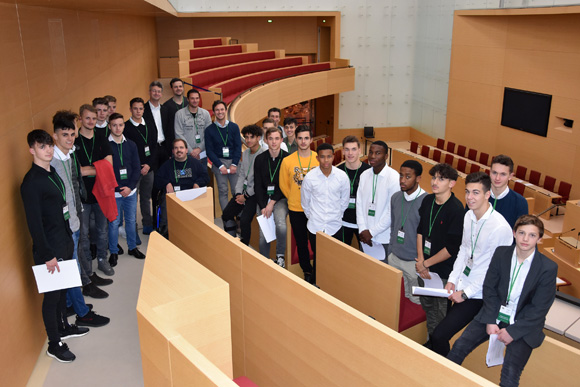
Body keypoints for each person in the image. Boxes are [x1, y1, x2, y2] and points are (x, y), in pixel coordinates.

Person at [448, 215, 557, 387]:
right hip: (493, 313)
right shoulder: (501, 253)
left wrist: (513, 332)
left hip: (523, 324)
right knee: (459, 346)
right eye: (521, 233)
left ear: (540, 239)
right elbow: (489, 288)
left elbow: (539, 308)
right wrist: (491, 320)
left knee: (510, 373)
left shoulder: (548, 268)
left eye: (532, 235)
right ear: (514, 233)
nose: (525, 239)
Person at [430, 172, 513, 356]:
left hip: (480, 294)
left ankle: (445, 374)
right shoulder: (468, 216)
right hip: (462, 285)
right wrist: (452, 279)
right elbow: (464, 250)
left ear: (487, 194)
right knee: (443, 335)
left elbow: (494, 270)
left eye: (476, 192)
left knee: (439, 336)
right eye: (467, 192)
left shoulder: (499, 227)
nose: (469, 197)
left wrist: (466, 294)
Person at [21, 129, 80, 362]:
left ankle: (64, 328)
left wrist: (67, 240)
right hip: (50, 251)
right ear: (32, 150)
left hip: (63, 241)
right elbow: (34, 224)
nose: (47, 150)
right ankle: (54, 344)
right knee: (52, 298)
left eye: (48, 146)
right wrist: (47, 255)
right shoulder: (31, 183)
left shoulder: (52, 172)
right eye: (42, 146)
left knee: (63, 290)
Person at [51, 110, 110, 327]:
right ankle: (82, 312)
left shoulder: (69, 156)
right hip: (65, 228)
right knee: (71, 269)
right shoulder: (53, 163)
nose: (69, 138)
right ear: (54, 136)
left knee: (71, 267)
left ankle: (69, 304)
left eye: (71, 134)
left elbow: (74, 188)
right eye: (64, 134)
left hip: (74, 220)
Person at [415, 163, 464, 344]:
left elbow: (452, 248)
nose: (435, 182)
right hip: (424, 267)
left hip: (442, 273)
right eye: (434, 177)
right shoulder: (427, 200)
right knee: (428, 307)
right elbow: (420, 231)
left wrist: (425, 264)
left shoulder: (457, 209)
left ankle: (437, 347)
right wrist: (421, 260)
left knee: (440, 315)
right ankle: (431, 341)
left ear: (452, 183)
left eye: (441, 179)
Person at [74, 104, 115, 295]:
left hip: (100, 193)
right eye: (87, 118)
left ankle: (102, 261)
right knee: (83, 237)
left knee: (101, 230)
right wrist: (98, 168)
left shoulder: (101, 138)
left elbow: (109, 165)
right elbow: (76, 171)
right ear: (80, 119)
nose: (91, 121)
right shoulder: (74, 141)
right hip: (82, 197)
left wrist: (88, 169)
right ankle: (88, 274)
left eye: (93, 118)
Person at [301, 143, 350, 283]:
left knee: (334, 259)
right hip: (315, 226)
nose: (326, 160)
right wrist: (314, 217)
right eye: (322, 157)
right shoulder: (310, 178)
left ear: (333, 157)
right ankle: (317, 284)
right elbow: (306, 203)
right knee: (319, 258)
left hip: (335, 226)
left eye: (329, 156)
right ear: (317, 158)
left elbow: (344, 202)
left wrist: (335, 216)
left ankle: (332, 286)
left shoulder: (342, 177)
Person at [280, 125, 319, 283]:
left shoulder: (318, 158)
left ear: (311, 139)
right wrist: (295, 198)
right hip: (296, 208)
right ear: (296, 139)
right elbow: (284, 185)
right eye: (300, 138)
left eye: (306, 138)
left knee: (316, 243)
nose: (303, 141)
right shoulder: (287, 161)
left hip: (316, 210)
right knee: (301, 242)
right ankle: (306, 270)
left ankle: (317, 270)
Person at [107, 113, 145, 266]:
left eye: (120, 124)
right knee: (114, 223)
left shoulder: (131, 144)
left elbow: (137, 168)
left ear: (124, 125)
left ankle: (132, 247)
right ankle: (113, 252)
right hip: (114, 193)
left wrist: (129, 187)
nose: (118, 128)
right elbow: (105, 172)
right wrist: (118, 188)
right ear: (110, 126)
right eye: (114, 125)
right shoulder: (105, 146)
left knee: (130, 221)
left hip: (130, 191)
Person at [388, 160, 426, 304]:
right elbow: (393, 226)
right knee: (397, 300)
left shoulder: (426, 201)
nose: (402, 180)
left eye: (408, 177)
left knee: (416, 302)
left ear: (418, 178)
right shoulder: (395, 197)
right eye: (401, 176)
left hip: (414, 263)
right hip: (395, 258)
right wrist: (390, 252)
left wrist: (422, 263)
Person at [155, 139, 210, 235]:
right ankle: (165, 235)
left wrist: (197, 183)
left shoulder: (195, 163)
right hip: (173, 196)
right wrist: (166, 183)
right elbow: (157, 180)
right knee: (164, 204)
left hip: (191, 194)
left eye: (181, 147)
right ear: (173, 151)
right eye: (176, 148)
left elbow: (205, 177)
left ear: (186, 150)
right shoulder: (167, 165)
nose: (179, 150)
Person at [356, 141, 400, 258]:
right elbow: (359, 204)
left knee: (382, 274)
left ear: (386, 156)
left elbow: (392, 212)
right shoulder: (364, 175)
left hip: (383, 237)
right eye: (371, 152)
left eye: (378, 153)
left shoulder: (394, 178)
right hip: (364, 235)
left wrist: (371, 232)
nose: (373, 156)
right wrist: (363, 229)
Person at [221, 125, 264, 243]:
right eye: (246, 137)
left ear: (259, 138)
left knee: (245, 221)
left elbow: (259, 182)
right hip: (243, 192)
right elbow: (242, 175)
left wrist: (245, 196)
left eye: (252, 137)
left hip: (255, 193)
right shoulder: (245, 153)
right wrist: (238, 193)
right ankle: (233, 237)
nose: (248, 140)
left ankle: (244, 245)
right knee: (226, 214)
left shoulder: (263, 154)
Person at [254, 126, 289, 267]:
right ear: (266, 140)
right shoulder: (259, 159)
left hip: (280, 198)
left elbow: (285, 185)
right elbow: (257, 185)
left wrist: (272, 203)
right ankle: (264, 260)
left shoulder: (287, 158)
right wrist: (263, 206)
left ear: (281, 140)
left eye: (277, 139)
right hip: (263, 199)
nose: (274, 142)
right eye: (271, 139)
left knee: (280, 223)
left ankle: (280, 256)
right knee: (263, 232)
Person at [124, 97, 158, 236]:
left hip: (148, 169)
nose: (138, 111)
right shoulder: (125, 127)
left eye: (140, 108)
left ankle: (147, 224)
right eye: (135, 108)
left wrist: (148, 165)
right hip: (134, 170)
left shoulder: (150, 124)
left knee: (146, 197)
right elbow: (126, 151)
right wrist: (138, 167)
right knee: (132, 199)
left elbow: (154, 146)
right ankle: (132, 228)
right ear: (130, 109)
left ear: (144, 110)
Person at [205, 100, 242, 211]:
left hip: (234, 162)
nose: (220, 112)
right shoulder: (209, 130)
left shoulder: (234, 127)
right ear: (214, 112)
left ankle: (239, 216)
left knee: (237, 191)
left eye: (222, 109)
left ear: (226, 111)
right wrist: (220, 166)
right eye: (217, 110)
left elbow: (238, 147)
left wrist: (234, 164)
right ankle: (227, 218)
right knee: (223, 191)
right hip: (218, 162)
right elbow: (209, 151)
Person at [337, 135, 371, 247]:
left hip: (363, 224)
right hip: (342, 222)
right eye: (347, 149)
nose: (350, 153)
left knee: (365, 258)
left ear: (359, 151)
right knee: (341, 255)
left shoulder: (369, 172)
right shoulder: (337, 172)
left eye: (354, 149)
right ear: (343, 151)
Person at [174, 88, 212, 165]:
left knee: (202, 176)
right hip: (186, 154)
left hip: (202, 154)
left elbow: (209, 134)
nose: (195, 101)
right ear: (187, 99)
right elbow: (178, 134)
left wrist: (199, 149)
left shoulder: (206, 114)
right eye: (192, 98)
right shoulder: (179, 114)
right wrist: (190, 151)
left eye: (197, 98)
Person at [489, 155, 528, 228]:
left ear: (510, 176)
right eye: (494, 173)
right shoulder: (478, 196)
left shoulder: (520, 202)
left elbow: (520, 233)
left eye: (503, 174)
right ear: (490, 172)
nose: (497, 178)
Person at [163, 78, 187, 143]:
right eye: (175, 87)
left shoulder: (189, 102)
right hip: (174, 140)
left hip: (189, 138)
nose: (178, 88)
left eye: (180, 86)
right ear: (172, 88)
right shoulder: (166, 106)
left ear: (183, 88)